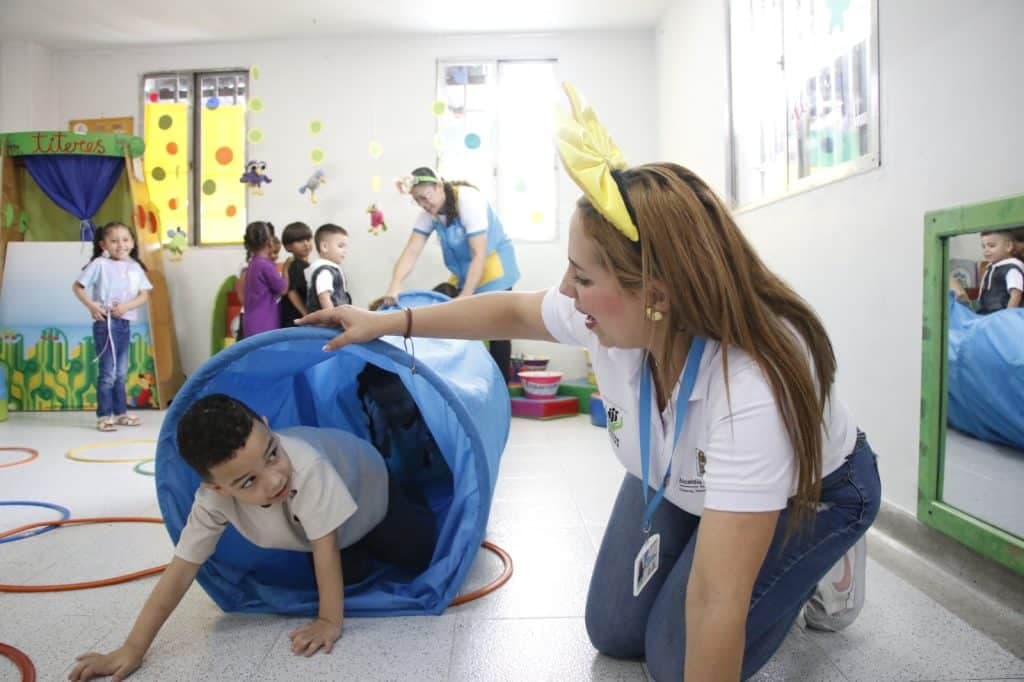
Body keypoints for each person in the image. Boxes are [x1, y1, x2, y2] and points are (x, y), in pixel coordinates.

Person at [299, 83, 881, 681]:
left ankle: (820, 565)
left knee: (677, 661)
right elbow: (512, 310)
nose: (567, 292)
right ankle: (721, 534)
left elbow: (716, 602)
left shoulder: (752, 385)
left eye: (581, 275)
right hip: (682, 479)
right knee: (614, 631)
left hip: (805, 494)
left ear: (655, 296)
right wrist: (391, 322)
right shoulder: (618, 315)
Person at [68, 393, 436, 682]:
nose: (274, 479)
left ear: (266, 425)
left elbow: (325, 548)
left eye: (272, 454)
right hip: (323, 526)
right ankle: (356, 540)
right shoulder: (211, 501)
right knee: (349, 571)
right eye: (248, 481)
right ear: (217, 487)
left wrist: (328, 621)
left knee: (419, 550)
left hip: (370, 488)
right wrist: (133, 647)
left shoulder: (306, 467)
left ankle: (411, 485)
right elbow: (180, 571)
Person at [383, 167, 520, 380]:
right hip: (466, 271)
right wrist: (395, 284)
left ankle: (500, 388)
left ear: (439, 186)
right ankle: (465, 381)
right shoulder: (430, 213)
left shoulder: (468, 201)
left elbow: (479, 253)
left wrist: (465, 296)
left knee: (497, 331)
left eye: (425, 197)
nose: (423, 205)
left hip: (493, 267)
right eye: (417, 200)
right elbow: (411, 251)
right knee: (458, 325)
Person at [71, 221, 153, 432]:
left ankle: (121, 413)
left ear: (133, 242)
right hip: (105, 325)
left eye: (125, 240)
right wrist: (92, 306)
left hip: (124, 324)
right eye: (114, 241)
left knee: (121, 372)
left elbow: (144, 294)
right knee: (107, 372)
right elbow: (78, 287)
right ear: (103, 244)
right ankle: (104, 415)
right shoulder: (99, 264)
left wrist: (126, 306)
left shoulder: (135, 267)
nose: (120, 245)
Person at [242, 221, 287, 337]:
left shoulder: (253, 263)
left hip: (251, 323)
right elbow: (282, 289)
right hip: (264, 324)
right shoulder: (265, 265)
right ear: (269, 242)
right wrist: (287, 268)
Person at [305, 223, 351, 313]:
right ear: (324, 247)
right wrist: (332, 317)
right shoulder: (325, 271)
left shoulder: (329, 268)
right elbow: (324, 296)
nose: (345, 251)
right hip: (327, 323)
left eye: (345, 247)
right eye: (340, 246)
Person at [977, 230, 1024, 314]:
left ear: (1008, 246)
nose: (986, 250)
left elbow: (1016, 295)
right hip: (986, 313)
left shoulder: (1011, 269)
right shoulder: (990, 267)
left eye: (991, 246)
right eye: (983, 246)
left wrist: (1008, 316)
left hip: (1002, 315)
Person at [279, 221, 314, 328]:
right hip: (295, 319)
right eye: (299, 241)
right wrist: (307, 316)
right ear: (288, 247)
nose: (306, 244)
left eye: (308, 239)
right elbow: (292, 293)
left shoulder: (303, 265)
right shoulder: (297, 265)